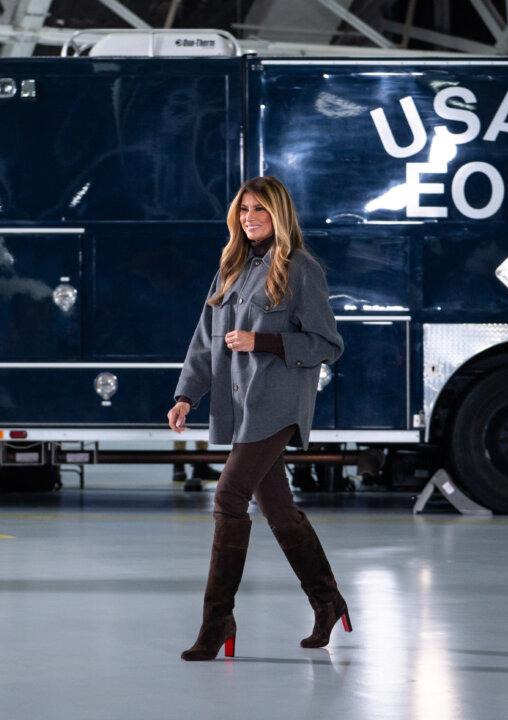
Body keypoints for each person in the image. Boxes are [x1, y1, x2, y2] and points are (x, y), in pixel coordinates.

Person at [167, 176, 349, 661]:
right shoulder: (233, 266)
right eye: (244, 209)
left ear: (279, 215)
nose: (250, 217)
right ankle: (328, 601)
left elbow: (328, 344)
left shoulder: (300, 268)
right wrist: (187, 394)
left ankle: (216, 621)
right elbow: (205, 340)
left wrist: (263, 342)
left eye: (260, 210)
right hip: (243, 404)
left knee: (228, 495)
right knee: (278, 508)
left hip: (279, 403)